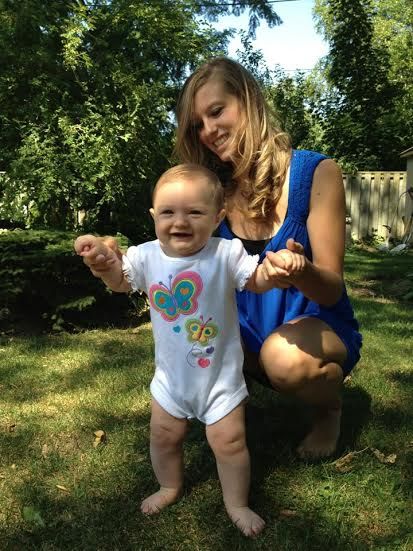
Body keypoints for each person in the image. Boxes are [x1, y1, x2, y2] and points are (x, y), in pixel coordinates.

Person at [74, 164, 303, 537]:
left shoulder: (226, 253)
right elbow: (120, 281)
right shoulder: (147, 256)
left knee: (229, 443)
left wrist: (276, 273)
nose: (180, 221)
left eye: (194, 212)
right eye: (168, 212)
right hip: (171, 381)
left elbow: (256, 279)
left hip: (220, 381)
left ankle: (237, 503)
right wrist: (104, 263)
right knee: (164, 437)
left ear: (217, 218)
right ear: (154, 216)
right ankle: (169, 485)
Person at [173, 57, 362, 460]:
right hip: (245, 337)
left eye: (216, 111)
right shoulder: (210, 193)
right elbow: (176, 262)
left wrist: (302, 270)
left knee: (283, 357)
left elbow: (331, 289)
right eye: (197, 125)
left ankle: (329, 408)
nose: (208, 131)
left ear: (249, 100)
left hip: (314, 331)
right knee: (190, 334)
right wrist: (115, 263)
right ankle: (233, 407)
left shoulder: (317, 173)